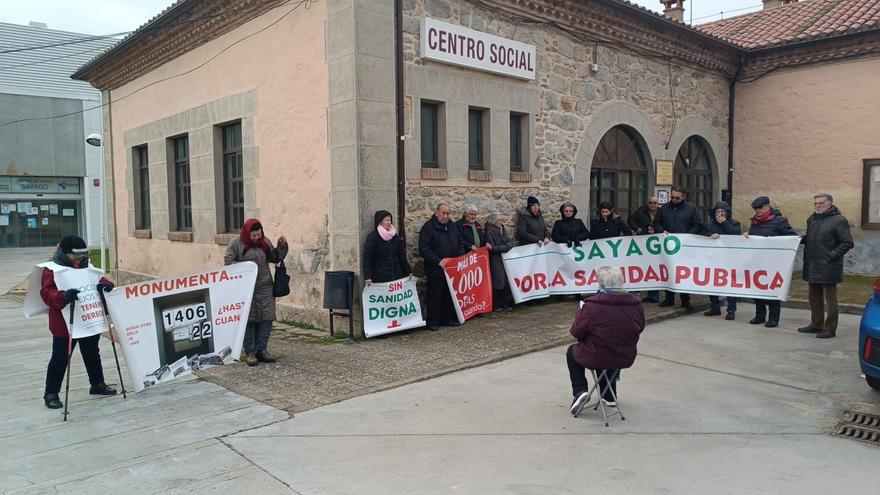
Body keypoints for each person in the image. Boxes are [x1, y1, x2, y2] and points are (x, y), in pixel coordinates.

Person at [41, 235, 117, 409]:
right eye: (76, 254)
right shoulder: (51, 270)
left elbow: (97, 279)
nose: (80, 257)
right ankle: (51, 393)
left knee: (92, 353)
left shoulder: (87, 266)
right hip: (64, 323)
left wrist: (106, 285)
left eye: (83, 253)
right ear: (65, 253)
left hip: (88, 318)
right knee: (60, 358)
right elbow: (46, 294)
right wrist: (63, 296)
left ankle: (97, 383)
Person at [567, 266, 646, 417]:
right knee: (610, 345)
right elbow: (640, 327)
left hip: (599, 355)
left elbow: (576, 332)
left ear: (600, 284)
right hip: (625, 355)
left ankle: (580, 391)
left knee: (574, 352)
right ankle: (609, 394)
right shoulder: (636, 305)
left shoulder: (592, 306)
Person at [224, 218, 288, 366]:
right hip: (246, 288)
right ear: (247, 233)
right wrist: (246, 267)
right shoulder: (236, 244)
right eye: (253, 235)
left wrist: (282, 247)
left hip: (265, 287)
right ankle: (250, 352)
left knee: (267, 318)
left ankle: (262, 350)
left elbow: (274, 257)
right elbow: (228, 262)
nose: (256, 238)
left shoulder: (265, 242)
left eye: (258, 234)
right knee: (249, 320)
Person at [798, 193, 854, 339]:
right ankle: (816, 324)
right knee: (813, 297)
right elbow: (812, 239)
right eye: (815, 203)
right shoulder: (812, 219)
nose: (817, 205)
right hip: (812, 264)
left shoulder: (839, 220)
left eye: (821, 203)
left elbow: (847, 243)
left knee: (830, 299)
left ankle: (830, 328)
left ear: (830, 204)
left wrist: (831, 255)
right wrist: (799, 239)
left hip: (829, 266)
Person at [745, 196, 797, 328]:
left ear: (768, 206)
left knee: (772, 290)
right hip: (757, 261)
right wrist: (747, 236)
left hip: (774, 262)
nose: (757, 211)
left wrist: (774, 241)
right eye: (755, 209)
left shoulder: (779, 221)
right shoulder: (754, 222)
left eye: (760, 208)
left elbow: (791, 237)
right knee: (757, 289)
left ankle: (773, 318)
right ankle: (760, 316)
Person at [419, 203, 467, 331]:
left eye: (448, 213)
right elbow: (424, 249)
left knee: (449, 295)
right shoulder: (428, 228)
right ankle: (433, 322)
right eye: (443, 213)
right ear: (437, 213)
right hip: (436, 268)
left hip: (451, 268)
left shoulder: (452, 226)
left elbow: (460, 242)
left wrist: (460, 258)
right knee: (435, 296)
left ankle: (448, 319)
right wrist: (438, 261)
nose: (445, 216)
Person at [657, 186, 704, 311]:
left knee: (682, 272)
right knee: (669, 271)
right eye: (672, 197)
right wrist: (662, 230)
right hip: (668, 246)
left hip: (684, 246)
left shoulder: (691, 208)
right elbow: (657, 223)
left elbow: (698, 224)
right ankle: (669, 298)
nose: (674, 199)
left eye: (677, 197)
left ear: (683, 196)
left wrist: (688, 235)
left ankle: (685, 299)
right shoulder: (664, 208)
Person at [703, 201, 741, 320]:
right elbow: (703, 234)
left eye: (722, 212)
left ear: (727, 214)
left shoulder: (735, 223)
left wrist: (724, 223)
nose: (719, 214)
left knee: (730, 284)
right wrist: (710, 235)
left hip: (729, 259)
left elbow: (735, 234)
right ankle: (715, 307)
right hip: (714, 258)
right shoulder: (710, 224)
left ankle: (731, 310)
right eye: (717, 212)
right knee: (711, 283)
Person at [363, 210, 411, 285]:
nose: (389, 222)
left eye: (390, 220)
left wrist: (408, 271)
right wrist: (367, 276)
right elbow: (368, 258)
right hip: (380, 278)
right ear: (379, 222)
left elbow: (401, 256)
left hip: (396, 276)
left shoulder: (395, 237)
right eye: (386, 220)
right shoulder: (373, 238)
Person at [485, 214, 515, 312]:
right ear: (494, 221)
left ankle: (505, 303)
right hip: (496, 259)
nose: (501, 221)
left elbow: (510, 242)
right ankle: (497, 304)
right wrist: (505, 247)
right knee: (498, 282)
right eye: (499, 219)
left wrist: (504, 247)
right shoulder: (489, 231)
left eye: (501, 219)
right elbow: (491, 248)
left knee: (505, 281)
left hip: (504, 258)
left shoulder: (503, 229)